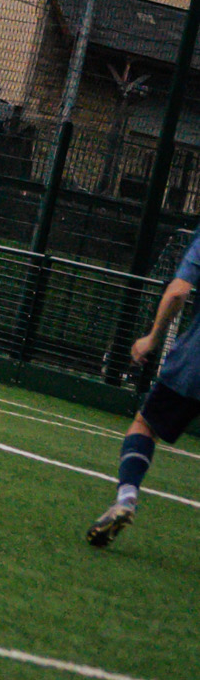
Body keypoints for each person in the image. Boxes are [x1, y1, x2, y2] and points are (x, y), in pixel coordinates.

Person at [87, 229, 200, 547]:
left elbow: (177, 293)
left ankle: (126, 498)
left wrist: (153, 337)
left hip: (195, 364)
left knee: (145, 425)